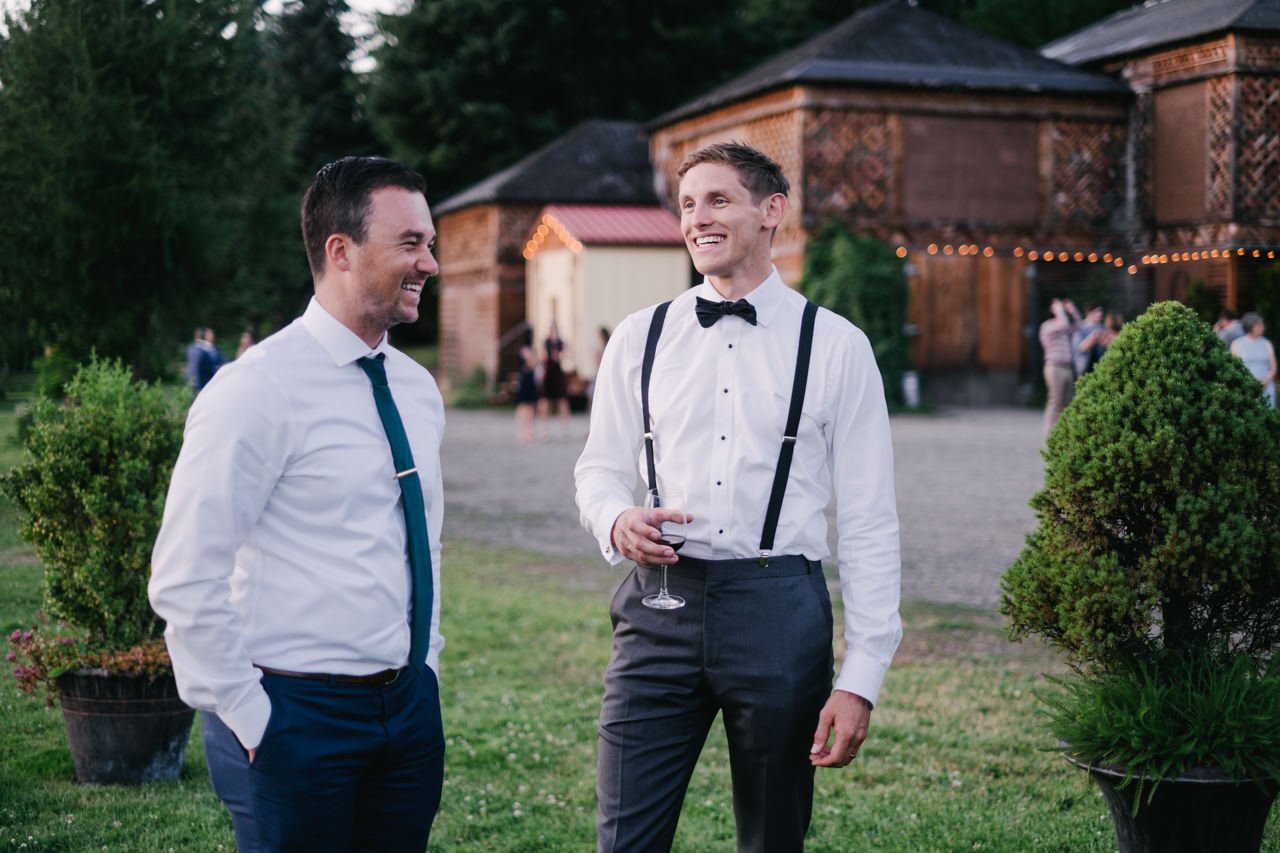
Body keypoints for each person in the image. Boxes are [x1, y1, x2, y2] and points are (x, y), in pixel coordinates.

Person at [575, 141, 902, 852]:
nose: (698, 219)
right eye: (688, 205)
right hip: (658, 607)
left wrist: (863, 674)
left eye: (718, 200)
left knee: (772, 837)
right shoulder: (640, 337)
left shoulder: (837, 346)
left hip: (779, 611)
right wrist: (616, 517)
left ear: (771, 210)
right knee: (624, 836)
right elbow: (597, 469)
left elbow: (871, 519)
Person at [149, 156, 447, 852]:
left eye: (428, 243)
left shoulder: (416, 387)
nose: (429, 263)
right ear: (339, 251)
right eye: (411, 243)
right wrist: (251, 715)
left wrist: (424, 671)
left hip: (405, 715)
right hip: (291, 716)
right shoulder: (255, 389)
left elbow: (421, 542)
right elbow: (186, 573)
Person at [1039, 297, 1080, 437]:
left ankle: (1063, 435)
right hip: (1054, 367)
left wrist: (1073, 311)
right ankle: (1049, 436)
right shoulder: (1047, 326)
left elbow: (1079, 326)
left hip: (1066, 367)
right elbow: (1063, 324)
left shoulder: (1064, 326)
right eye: (1056, 306)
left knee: (1067, 404)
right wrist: (1060, 310)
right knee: (1055, 402)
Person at [1231, 311, 1277, 406]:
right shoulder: (1237, 344)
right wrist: (1249, 384)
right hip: (1246, 388)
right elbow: (1234, 367)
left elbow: (1273, 368)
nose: (1263, 327)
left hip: (1267, 387)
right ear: (1250, 326)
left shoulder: (1267, 343)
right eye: (1259, 325)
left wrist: (1264, 383)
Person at [538, 319, 571, 438]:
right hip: (549, 373)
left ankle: (565, 429)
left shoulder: (561, 342)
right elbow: (541, 357)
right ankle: (544, 429)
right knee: (545, 402)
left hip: (558, 373)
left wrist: (562, 355)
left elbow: (567, 355)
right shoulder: (545, 342)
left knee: (563, 401)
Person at [513, 343, 540, 443]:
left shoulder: (532, 356)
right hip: (525, 384)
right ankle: (522, 432)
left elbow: (535, 363)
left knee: (531, 409)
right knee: (523, 408)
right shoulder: (523, 355)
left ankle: (530, 431)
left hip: (531, 384)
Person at [1072, 305, 1103, 377]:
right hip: (1084, 370)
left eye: (1100, 311)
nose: (1100, 314)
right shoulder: (1080, 327)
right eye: (1096, 311)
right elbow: (1080, 348)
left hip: (1100, 369)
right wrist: (1093, 338)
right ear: (1088, 313)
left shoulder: (1102, 327)